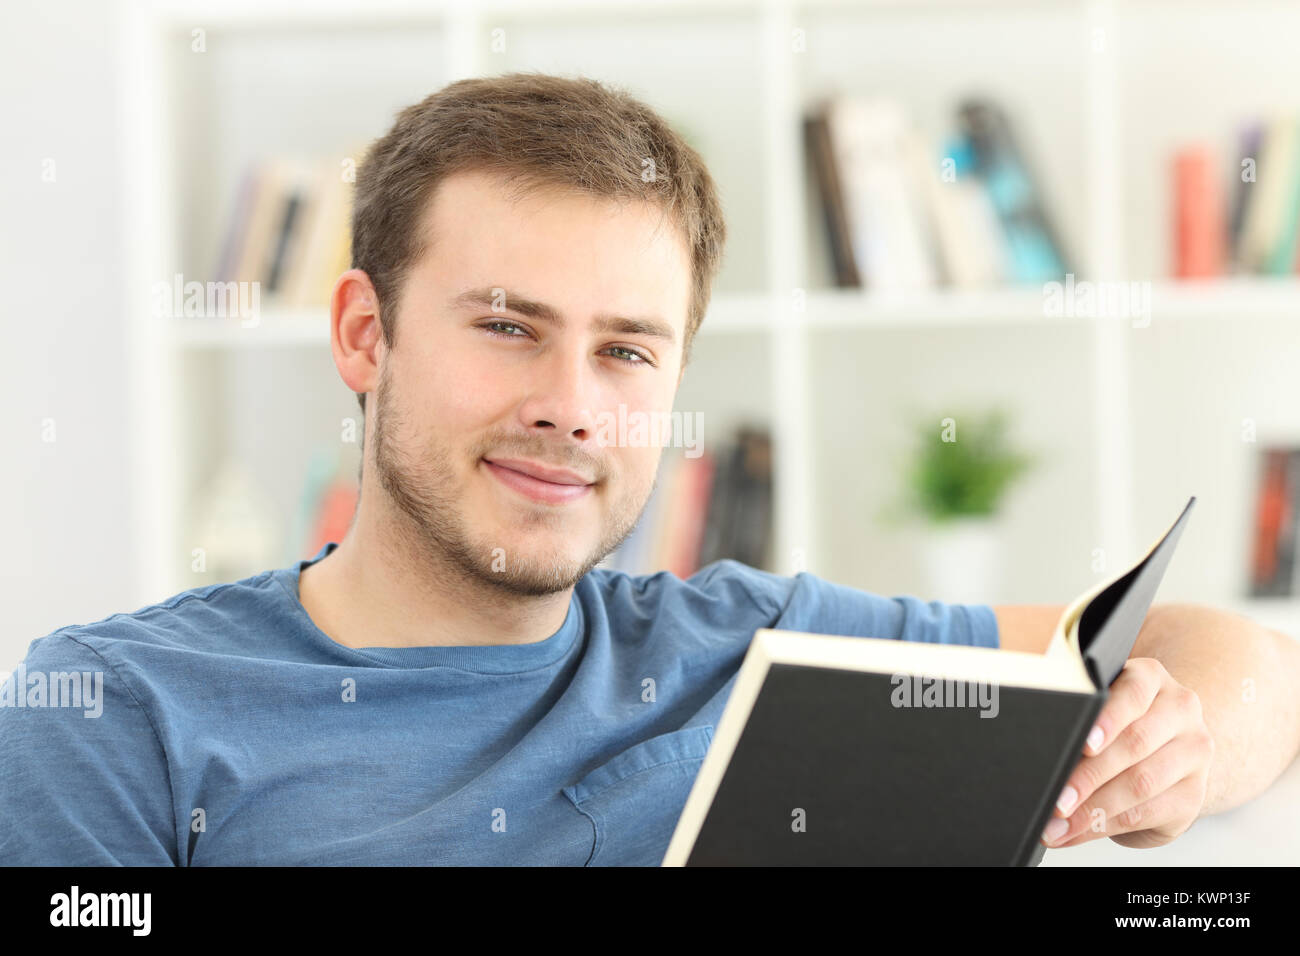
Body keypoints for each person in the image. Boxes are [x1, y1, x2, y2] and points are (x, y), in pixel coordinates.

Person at [3, 73, 1297, 866]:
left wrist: (1180, 747)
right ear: (364, 333)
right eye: (507, 327)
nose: (571, 408)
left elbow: (1252, 671)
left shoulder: (758, 648)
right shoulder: (116, 717)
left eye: (627, 351)